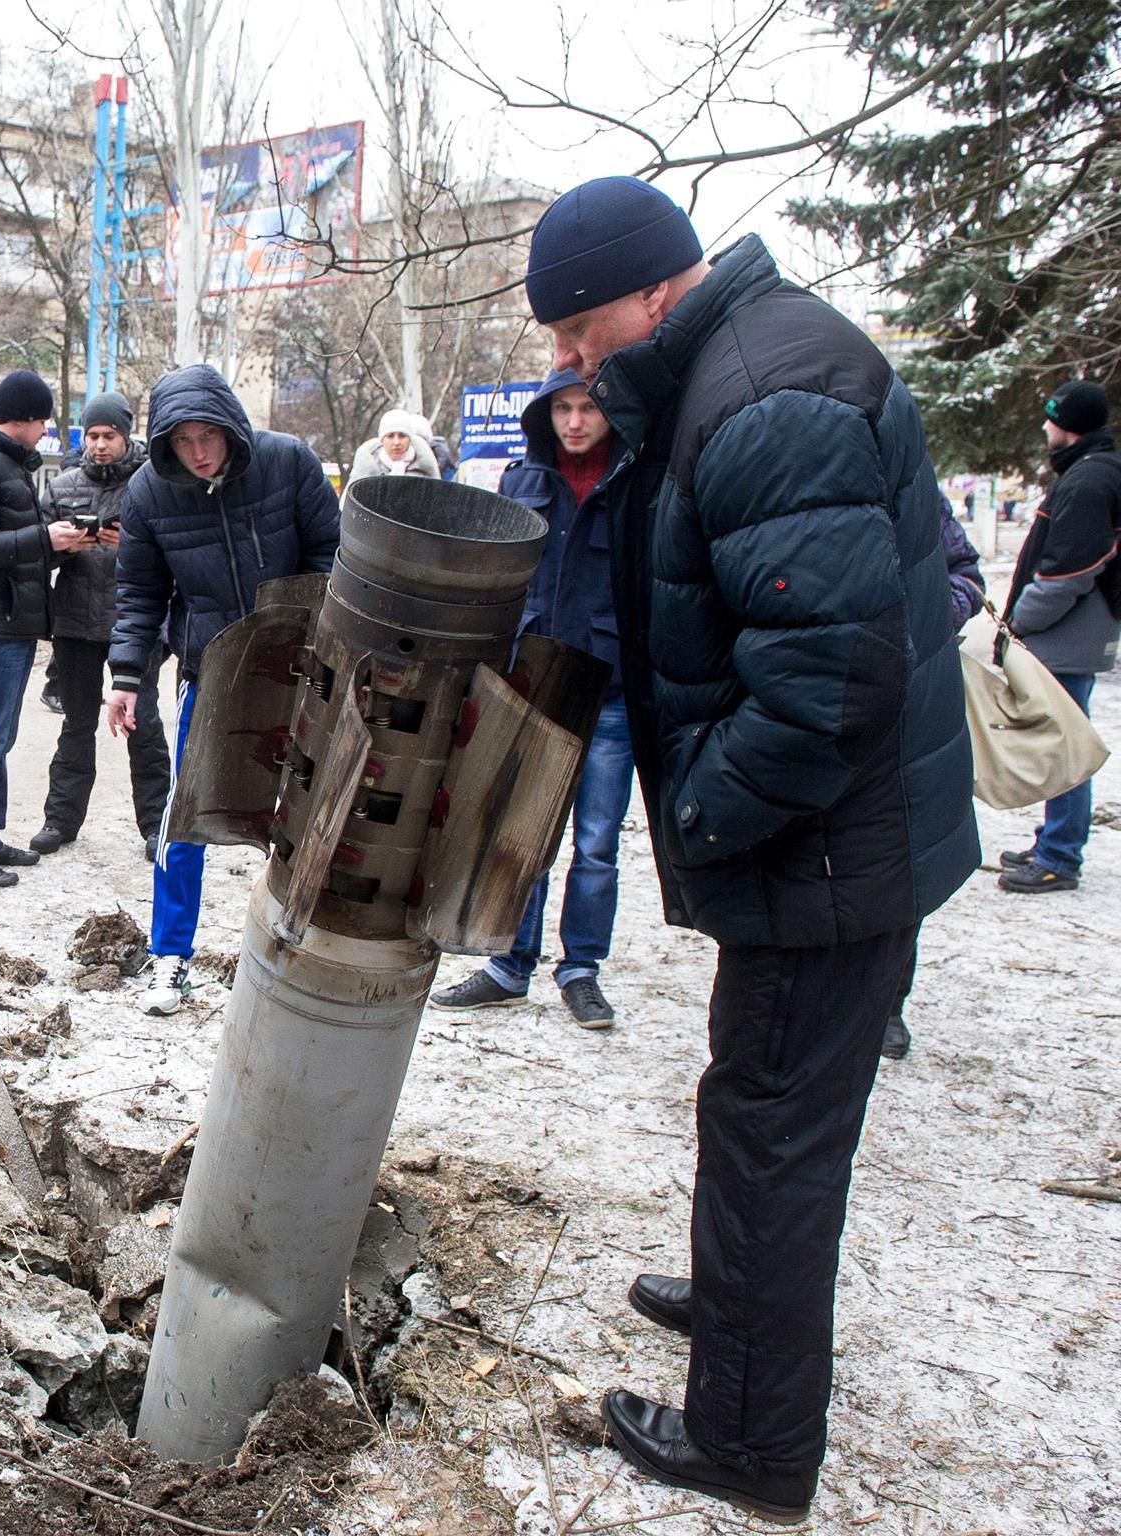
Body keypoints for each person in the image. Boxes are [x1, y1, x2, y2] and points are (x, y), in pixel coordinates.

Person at [523, 176, 977, 1521]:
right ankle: (735, 1305)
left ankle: (747, 1438)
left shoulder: (766, 393)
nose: (566, 357)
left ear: (655, 286)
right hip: (814, 845)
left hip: (821, 852)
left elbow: (827, 682)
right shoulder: (737, 362)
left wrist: (705, 810)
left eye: (576, 323)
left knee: (775, 1132)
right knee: (753, 1096)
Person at [105, 363, 341, 1014]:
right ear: (165, 443)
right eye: (183, 440)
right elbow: (140, 593)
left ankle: (304, 951)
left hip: (299, 668)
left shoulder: (288, 463)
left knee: (314, 814)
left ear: (232, 426)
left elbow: (333, 553)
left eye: (209, 433)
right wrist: (126, 677)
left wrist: (314, 632)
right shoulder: (150, 492)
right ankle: (170, 958)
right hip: (210, 669)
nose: (200, 451)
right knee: (183, 821)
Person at [432, 370, 633, 1028]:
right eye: (564, 410)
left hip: (608, 688)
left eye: (589, 409)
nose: (576, 422)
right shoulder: (524, 481)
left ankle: (581, 971)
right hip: (534, 685)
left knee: (597, 841)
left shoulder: (636, 483)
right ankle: (509, 964)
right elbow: (503, 580)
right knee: (520, 834)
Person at [0, 370, 90, 887]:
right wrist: (43, 538)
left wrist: (57, 545)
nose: (47, 428)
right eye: (43, 418)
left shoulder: (4, 464)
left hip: (11, 620)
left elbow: (13, 549)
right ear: (24, 418)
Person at [28, 391, 171, 861]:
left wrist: (130, 542)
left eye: (109, 435)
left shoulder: (154, 483)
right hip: (75, 623)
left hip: (135, 625)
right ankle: (59, 821)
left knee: (143, 724)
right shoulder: (64, 484)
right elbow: (37, 553)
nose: (100, 445)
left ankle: (157, 825)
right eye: (92, 435)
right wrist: (60, 545)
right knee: (76, 725)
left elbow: (174, 550)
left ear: (126, 434)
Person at [997, 379, 1120, 895]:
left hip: (1069, 633)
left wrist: (1018, 623)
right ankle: (1053, 839)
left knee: (1064, 743)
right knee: (1061, 736)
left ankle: (1059, 856)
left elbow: (1065, 575)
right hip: (1075, 632)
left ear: (1069, 426)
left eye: (1051, 418)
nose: (1045, 427)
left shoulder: (1088, 482)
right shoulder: (1090, 472)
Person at [883, 496, 988, 1062]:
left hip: (913, 701)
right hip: (826, 698)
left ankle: (889, 1003)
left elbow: (967, 576)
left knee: (905, 858)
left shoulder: (916, 487)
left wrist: (914, 619)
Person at [345, 408, 442, 491]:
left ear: (410, 439)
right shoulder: (365, 474)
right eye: (390, 436)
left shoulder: (425, 472)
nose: (396, 442)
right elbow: (348, 508)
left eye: (402, 436)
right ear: (382, 439)